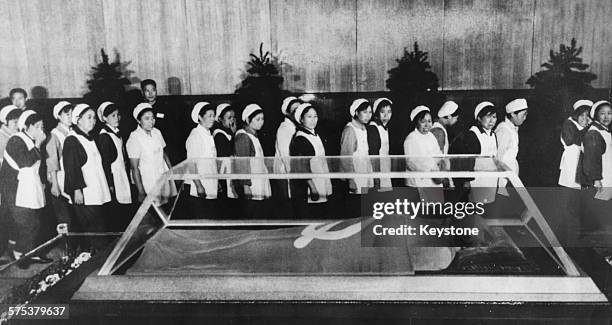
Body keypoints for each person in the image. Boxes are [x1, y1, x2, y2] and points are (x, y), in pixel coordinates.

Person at [0, 110, 50, 266]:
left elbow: (37, 165)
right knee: (27, 223)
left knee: (35, 223)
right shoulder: (16, 140)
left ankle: (31, 252)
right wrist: (38, 144)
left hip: (29, 187)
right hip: (15, 190)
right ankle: (20, 253)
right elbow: (25, 162)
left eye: (43, 126)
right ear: (27, 127)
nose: (42, 130)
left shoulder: (30, 139)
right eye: (38, 127)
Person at [63, 104, 112, 251]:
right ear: (78, 120)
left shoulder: (89, 138)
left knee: (97, 225)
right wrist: (77, 190)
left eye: (94, 118)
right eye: (89, 118)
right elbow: (71, 168)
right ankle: (98, 259)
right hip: (85, 193)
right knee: (94, 227)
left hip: (95, 190)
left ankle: (97, 255)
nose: (93, 121)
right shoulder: (72, 140)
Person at [557, 99, 593, 245]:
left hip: (582, 174)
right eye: (582, 115)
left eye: (588, 116)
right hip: (569, 174)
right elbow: (574, 139)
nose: (585, 119)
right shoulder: (569, 124)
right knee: (568, 207)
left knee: (577, 207)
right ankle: (566, 240)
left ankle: (573, 239)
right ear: (576, 115)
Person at [127, 103, 177, 204]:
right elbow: (134, 168)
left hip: (162, 176)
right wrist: (141, 191)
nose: (151, 122)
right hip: (148, 181)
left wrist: (172, 173)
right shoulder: (134, 138)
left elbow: (164, 154)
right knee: (153, 209)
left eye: (152, 118)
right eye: (147, 118)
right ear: (138, 120)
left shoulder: (157, 132)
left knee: (166, 206)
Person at [289, 103, 332, 219]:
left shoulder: (315, 135)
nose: (313, 120)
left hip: (320, 182)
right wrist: (312, 187)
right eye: (309, 117)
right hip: (310, 187)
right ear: (301, 119)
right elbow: (302, 168)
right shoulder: (301, 138)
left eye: (315, 116)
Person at [96, 102, 133, 231]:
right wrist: (110, 184)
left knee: (125, 207)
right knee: (117, 211)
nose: (117, 118)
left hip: (122, 175)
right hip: (114, 178)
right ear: (105, 118)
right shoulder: (104, 136)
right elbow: (105, 164)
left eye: (118, 115)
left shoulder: (117, 132)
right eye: (113, 115)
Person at [456, 101, 499, 206]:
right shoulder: (472, 134)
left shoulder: (493, 134)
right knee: (474, 209)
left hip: (491, 181)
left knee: (487, 209)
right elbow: (466, 161)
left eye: (494, 117)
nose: (491, 120)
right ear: (479, 118)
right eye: (488, 117)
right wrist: (466, 181)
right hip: (477, 182)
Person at [233, 104, 271, 219]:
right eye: (257, 119)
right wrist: (246, 186)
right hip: (251, 186)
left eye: (262, 119)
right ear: (248, 120)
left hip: (259, 183)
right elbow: (242, 164)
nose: (261, 122)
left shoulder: (253, 136)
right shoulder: (243, 137)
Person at [403, 105, 445, 203]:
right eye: (423, 122)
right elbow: (411, 163)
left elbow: (438, 154)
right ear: (416, 123)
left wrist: (439, 169)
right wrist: (431, 170)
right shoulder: (411, 138)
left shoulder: (431, 136)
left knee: (435, 213)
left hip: (434, 182)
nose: (427, 125)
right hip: (418, 184)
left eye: (429, 121)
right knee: (422, 214)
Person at [581, 100, 612, 231]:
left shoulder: (603, 131)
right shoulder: (594, 133)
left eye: (609, 113)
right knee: (598, 212)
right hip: (600, 179)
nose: (606, 117)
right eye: (602, 114)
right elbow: (591, 159)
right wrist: (596, 179)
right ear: (595, 115)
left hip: (607, 175)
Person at [185, 102, 218, 219]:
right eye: (209, 116)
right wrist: (199, 185)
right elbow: (191, 164)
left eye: (213, 115)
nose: (213, 119)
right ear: (200, 117)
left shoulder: (208, 134)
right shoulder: (196, 135)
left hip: (210, 183)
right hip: (199, 186)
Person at [45, 101, 74, 236]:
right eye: (66, 114)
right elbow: (52, 162)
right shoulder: (54, 135)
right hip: (60, 182)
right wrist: (55, 185)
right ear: (58, 116)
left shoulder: (73, 132)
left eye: (72, 113)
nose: (70, 116)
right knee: (64, 219)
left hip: (72, 180)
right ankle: (67, 250)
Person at [140, 79, 183, 165]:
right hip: (148, 148)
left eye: (153, 90)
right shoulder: (140, 109)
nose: (150, 94)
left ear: (156, 91)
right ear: (142, 92)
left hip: (166, 147)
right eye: (147, 91)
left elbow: (173, 130)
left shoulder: (166, 107)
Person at [0, 105, 22, 264]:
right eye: (13, 121)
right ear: (5, 122)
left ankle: (11, 249)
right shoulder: (2, 138)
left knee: (11, 217)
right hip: (4, 185)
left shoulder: (15, 137)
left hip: (12, 184)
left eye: (18, 120)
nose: (16, 123)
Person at [495, 98, 528, 196]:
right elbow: (498, 158)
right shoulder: (504, 130)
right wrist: (500, 184)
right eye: (523, 114)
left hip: (511, 177)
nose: (525, 118)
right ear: (513, 114)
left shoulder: (512, 129)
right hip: (503, 180)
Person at [273, 96, 301, 198]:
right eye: (294, 110)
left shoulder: (296, 127)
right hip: (285, 174)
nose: (298, 112)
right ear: (288, 113)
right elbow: (286, 157)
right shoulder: (284, 128)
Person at [367, 98, 393, 190]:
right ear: (377, 113)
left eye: (389, 111)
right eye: (382, 112)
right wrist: (376, 179)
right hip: (377, 173)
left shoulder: (385, 128)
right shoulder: (373, 128)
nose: (386, 115)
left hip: (385, 170)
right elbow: (373, 156)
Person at [213, 103, 237, 200]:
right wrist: (233, 133)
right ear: (220, 119)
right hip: (224, 173)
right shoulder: (219, 134)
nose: (232, 121)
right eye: (229, 118)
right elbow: (228, 153)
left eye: (233, 117)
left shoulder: (228, 132)